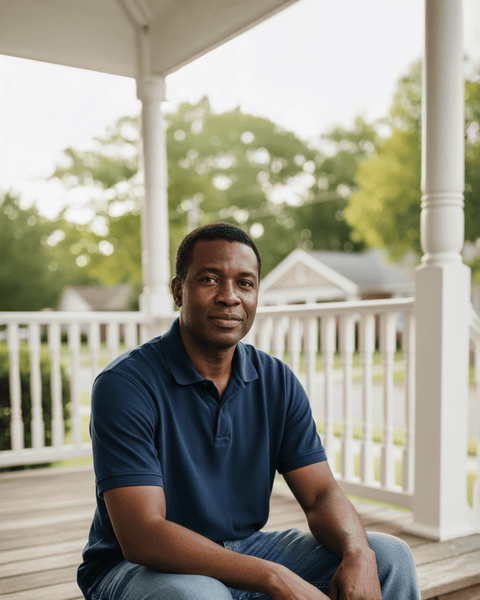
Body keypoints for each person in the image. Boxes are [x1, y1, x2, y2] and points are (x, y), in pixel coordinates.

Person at [78, 222, 420, 600]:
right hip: (136, 568)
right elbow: (143, 535)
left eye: (245, 283)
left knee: (389, 556)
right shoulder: (125, 384)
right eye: (209, 280)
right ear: (179, 290)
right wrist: (273, 577)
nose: (230, 297)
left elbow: (321, 493)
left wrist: (359, 553)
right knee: (201, 596)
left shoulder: (276, 380)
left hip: (243, 547)